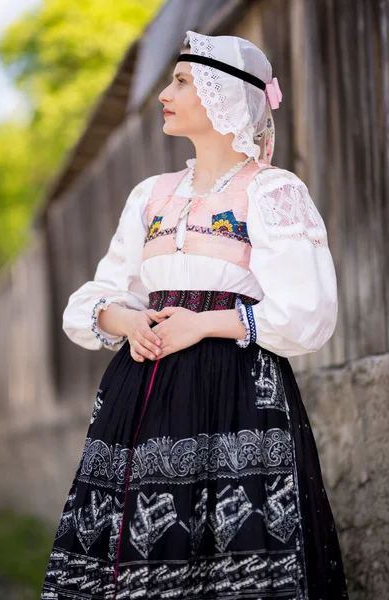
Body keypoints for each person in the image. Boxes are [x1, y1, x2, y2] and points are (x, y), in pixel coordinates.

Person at [41, 29, 349, 600]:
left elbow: (307, 314)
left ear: (223, 94)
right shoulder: (149, 195)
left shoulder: (272, 192)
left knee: (233, 555)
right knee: (139, 550)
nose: (165, 92)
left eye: (181, 81)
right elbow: (97, 296)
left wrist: (202, 323)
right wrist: (128, 322)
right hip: (143, 393)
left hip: (232, 390)